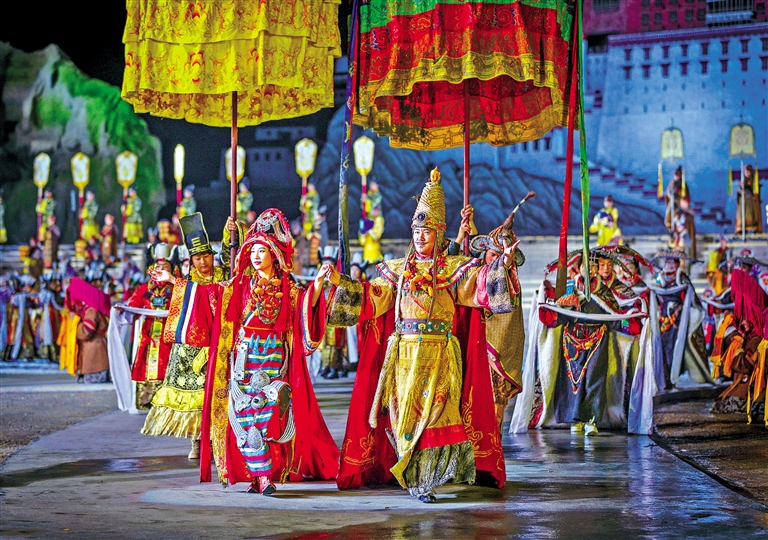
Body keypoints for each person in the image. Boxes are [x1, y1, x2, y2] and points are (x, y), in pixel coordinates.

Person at [326, 168, 517, 502]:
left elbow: (479, 288)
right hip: (403, 357)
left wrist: (501, 266)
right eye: (416, 231)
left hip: (440, 355)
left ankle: (427, 476)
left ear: (439, 233)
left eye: (426, 231)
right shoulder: (397, 270)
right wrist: (341, 283)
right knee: (405, 415)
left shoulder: (454, 270)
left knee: (437, 415)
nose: (420, 237)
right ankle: (411, 472)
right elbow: (374, 296)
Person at [150, 208, 339, 494]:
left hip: (274, 357)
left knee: (266, 413)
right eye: (252, 250)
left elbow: (305, 304)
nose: (256, 256)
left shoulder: (287, 288)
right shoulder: (239, 285)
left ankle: (263, 474)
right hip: (245, 358)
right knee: (244, 415)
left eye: (262, 250)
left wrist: (319, 283)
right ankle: (259, 476)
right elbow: (207, 294)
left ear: (274, 254)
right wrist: (172, 281)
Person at [140, 212, 229, 459]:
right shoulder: (188, 281)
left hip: (220, 343)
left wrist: (230, 232)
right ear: (191, 260)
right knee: (195, 398)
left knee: (219, 395)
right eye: (197, 258)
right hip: (193, 348)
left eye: (206, 256)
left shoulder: (224, 276)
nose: (203, 262)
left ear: (212, 256)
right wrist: (173, 281)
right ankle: (197, 441)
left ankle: (219, 442)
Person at [647, 250, 713, 391]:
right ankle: (664, 378)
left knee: (674, 347)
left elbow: (690, 295)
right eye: (667, 263)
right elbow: (657, 291)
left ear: (678, 264)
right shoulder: (661, 277)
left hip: (678, 318)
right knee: (663, 346)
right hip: (664, 317)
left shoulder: (681, 277)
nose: (670, 265)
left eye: (673, 263)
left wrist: (683, 307)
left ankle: (672, 378)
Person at [125, 243, 175, 409]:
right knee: (147, 364)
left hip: (169, 334)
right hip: (149, 333)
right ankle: (147, 399)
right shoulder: (144, 289)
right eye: (158, 267)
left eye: (165, 267)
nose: (161, 270)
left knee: (168, 363)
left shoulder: (176, 288)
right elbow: (133, 306)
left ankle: (167, 401)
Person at [66, 277, 111, 383]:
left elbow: (87, 331)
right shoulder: (92, 308)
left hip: (93, 348)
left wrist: (77, 329)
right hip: (97, 345)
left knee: (94, 376)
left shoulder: (91, 310)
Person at [318, 245, 347, 380]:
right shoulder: (320, 282)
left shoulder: (338, 281)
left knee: (335, 345)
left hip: (335, 317)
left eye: (329, 265)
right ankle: (325, 366)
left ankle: (335, 367)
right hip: (324, 317)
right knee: (325, 345)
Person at [735, 164, 762, 235]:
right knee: (742, 215)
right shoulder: (742, 181)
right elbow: (738, 189)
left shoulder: (753, 181)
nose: (746, 173)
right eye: (745, 172)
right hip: (743, 202)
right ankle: (742, 229)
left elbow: (755, 191)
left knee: (752, 215)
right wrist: (741, 189)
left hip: (751, 202)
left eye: (748, 172)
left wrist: (747, 192)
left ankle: (754, 229)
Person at [664, 166, 684, 233]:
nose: (677, 176)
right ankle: (671, 230)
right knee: (669, 215)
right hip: (672, 202)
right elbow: (667, 193)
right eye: (676, 174)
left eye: (678, 175)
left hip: (680, 203)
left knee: (679, 217)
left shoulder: (682, 185)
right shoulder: (672, 184)